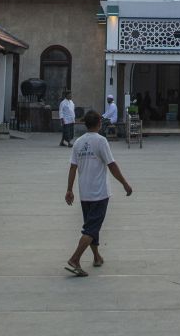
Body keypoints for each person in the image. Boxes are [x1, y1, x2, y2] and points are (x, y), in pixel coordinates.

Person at [64, 110, 132, 276]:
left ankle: (97, 257)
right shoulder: (101, 141)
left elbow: (73, 167)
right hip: (99, 193)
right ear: (99, 124)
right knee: (91, 228)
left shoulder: (79, 142)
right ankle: (75, 259)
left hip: (84, 193)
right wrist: (125, 183)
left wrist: (69, 189)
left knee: (92, 227)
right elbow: (112, 165)